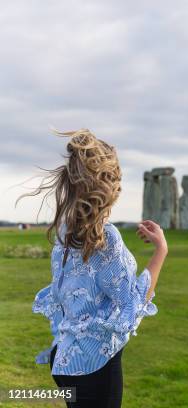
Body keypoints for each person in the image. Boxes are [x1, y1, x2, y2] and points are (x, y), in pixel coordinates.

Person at [22, 129, 168, 408]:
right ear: (110, 184)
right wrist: (161, 250)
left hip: (65, 360)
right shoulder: (106, 238)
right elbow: (132, 304)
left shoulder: (67, 230)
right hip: (94, 365)